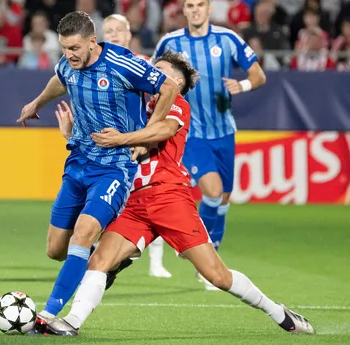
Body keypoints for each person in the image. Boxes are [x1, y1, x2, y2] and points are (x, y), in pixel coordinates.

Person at [34, 50, 315, 337]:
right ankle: (72, 322)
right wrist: (73, 136)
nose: (151, 73)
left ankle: (277, 312)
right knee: (100, 260)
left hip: (169, 197)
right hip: (133, 201)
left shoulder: (176, 103)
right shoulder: (133, 104)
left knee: (217, 275)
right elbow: (105, 144)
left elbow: (164, 130)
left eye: (160, 70)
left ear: (176, 81)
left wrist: (123, 138)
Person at [17, 11, 179, 320]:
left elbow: (169, 87)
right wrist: (37, 103)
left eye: (75, 48)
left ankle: (49, 314)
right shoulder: (68, 63)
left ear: (93, 41)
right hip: (78, 162)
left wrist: (143, 135)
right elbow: (60, 78)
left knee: (84, 232)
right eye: (64, 48)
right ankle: (106, 259)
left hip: (114, 167)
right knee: (56, 250)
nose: (69, 55)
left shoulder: (122, 63)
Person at [152, 0, 267, 289]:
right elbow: (151, 76)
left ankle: (213, 252)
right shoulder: (170, 41)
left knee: (223, 198)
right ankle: (204, 260)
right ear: (184, 10)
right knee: (212, 191)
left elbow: (259, 74)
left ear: (209, 8)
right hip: (189, 133)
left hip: (224, 131)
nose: (194, 10)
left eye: (199, 5)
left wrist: (243, 86)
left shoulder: (228, 39)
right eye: (189, 5)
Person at [102, 13, 172, 279]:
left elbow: (164, 100)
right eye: (109, 31)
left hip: (137, 146)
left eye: (119, 30)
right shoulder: (96, 66)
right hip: (110, 145)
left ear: (129, 35)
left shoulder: (142, 64)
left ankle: (155, 261)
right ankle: (113, 257)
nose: (114, 35)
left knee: (149, 201)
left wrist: (147, 136)